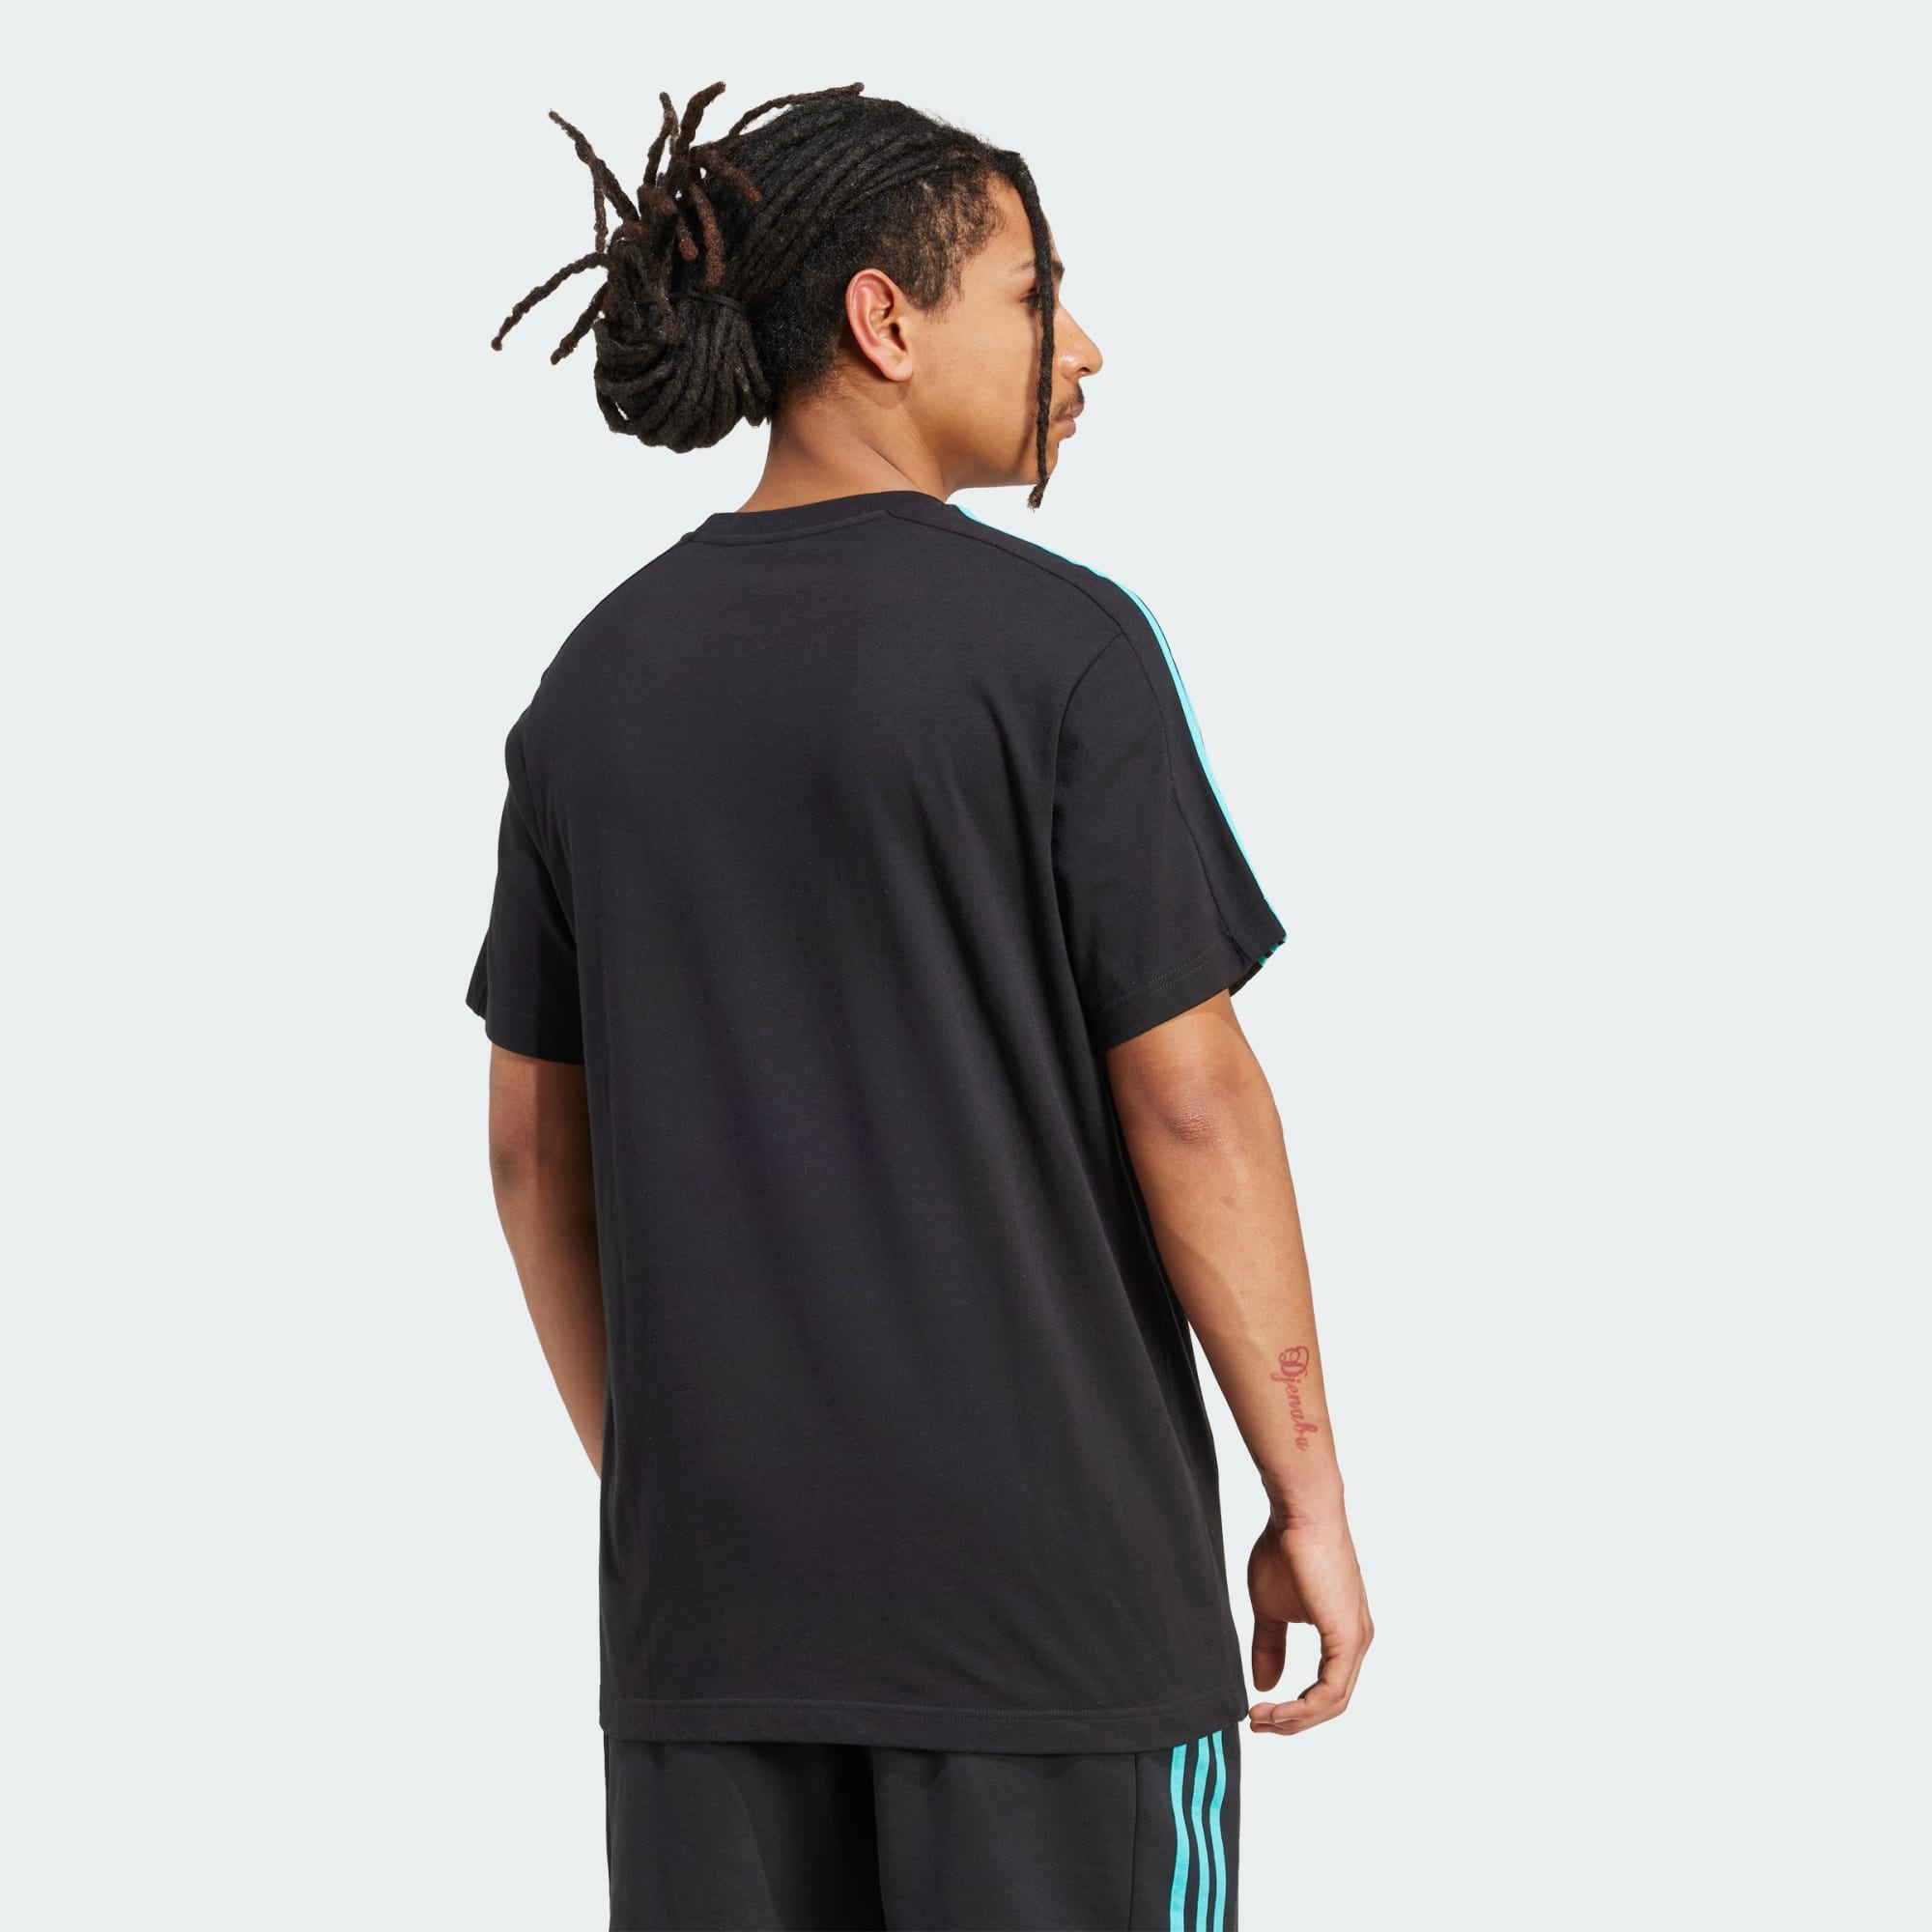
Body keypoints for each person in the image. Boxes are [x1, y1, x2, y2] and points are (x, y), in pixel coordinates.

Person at [469, 78, 1372, 1932]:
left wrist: (685, 1490)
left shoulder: (593, 687)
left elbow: (529, 1156)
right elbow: (1192, 1099)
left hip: (715, 1629)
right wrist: (1309, 1500)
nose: (1081, 346)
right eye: (1038, 295)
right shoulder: (1063, 651)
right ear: (885, 319)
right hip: (1051, 1623)